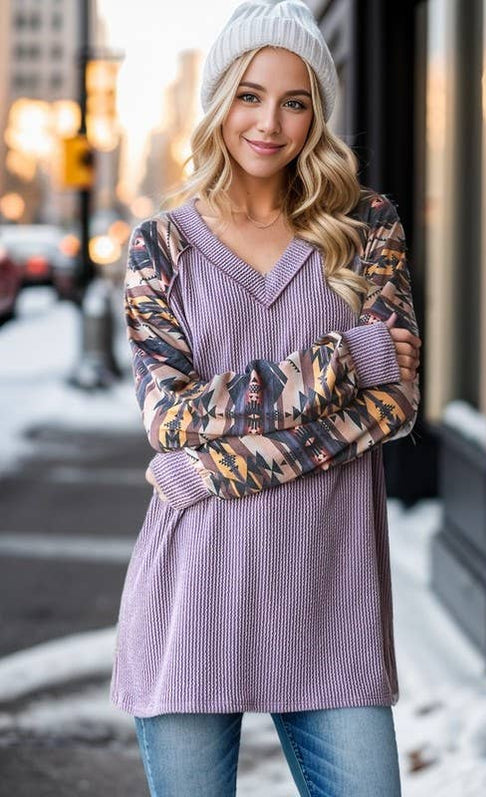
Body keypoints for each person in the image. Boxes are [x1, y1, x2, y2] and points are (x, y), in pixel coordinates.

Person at [109, 1, 422, 794]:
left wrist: (211, 472)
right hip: (193, 599)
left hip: (331, 602)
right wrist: (342, 359)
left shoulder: (365, 225)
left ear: (318, 112)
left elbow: (394, 405)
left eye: (295, 100)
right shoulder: (161, 244)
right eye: (249, 94)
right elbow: (169, 418)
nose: (269, 123)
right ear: (219, 100)